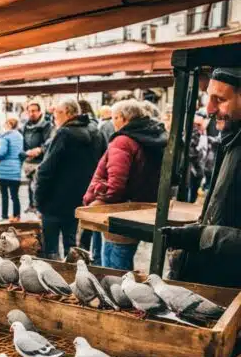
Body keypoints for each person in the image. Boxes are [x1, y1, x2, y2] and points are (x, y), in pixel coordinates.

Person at [162, 67, 241, 288]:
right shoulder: (232, 140)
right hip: (216, 282)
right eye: (209, 98)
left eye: (220, 99)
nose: (209, 109)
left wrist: (202, 236)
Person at [82, 99, 167, 270]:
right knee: (122, 263)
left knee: (113, 268)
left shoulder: (123, 141)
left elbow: (115, 186)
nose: (112, 122)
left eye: (113, 117)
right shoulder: (150, 136)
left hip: (118, 213)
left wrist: (97, 190)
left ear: (122, 118)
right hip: (138, 208)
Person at [36, 98, 105, 260]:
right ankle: (73, 277)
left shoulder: (64, 133)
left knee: (51, 250)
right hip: (81, 200)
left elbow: (46, 170)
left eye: (56, 113)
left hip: (55, 201)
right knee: (72, 246)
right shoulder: (96, 132)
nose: (54, 117)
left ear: (66, 113)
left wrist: (38, 200)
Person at [20, 101, 53, 214]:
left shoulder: (47, 125)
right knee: (30, 185)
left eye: (34, 111)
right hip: (29, 161)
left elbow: (50, 142)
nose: (31, 113)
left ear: (40, 112)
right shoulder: (25, 126)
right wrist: (25, 153)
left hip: (41, 161)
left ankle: (39, 208)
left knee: (38, 185)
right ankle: (32, 205)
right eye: (29, 111)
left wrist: (40, 150)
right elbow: (23, 142)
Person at [0, 117, 24, 221]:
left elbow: (2, 152)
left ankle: (4, 216)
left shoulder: (5, 137)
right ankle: (17, 216)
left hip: (5, 171)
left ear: (8, 125)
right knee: (15, 196)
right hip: (16, 169)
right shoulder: (20, 136)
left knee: (4, 195)